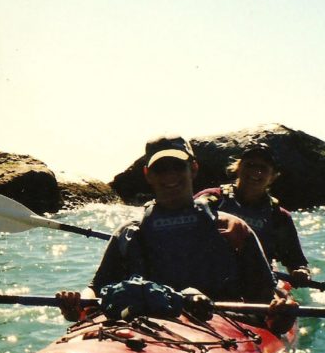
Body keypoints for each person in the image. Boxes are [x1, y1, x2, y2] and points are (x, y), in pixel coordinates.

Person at [58, 135, 297, 335]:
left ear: (193, 168)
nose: (169, 175)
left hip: (222, 324)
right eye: (160, 169)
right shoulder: (128, 233)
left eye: (177, 167)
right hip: (142, 323)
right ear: (148, 174)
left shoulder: (234, 229)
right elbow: (96, 289)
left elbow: (264, 301)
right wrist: (78, 304)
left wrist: (279, 314)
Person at [195, 141, 311, 287]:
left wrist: (301, 272)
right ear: (238, 167)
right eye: (249, 165)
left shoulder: (279, 217)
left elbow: (296, 262)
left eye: (263, 168)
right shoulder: (212, 199)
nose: (255, 172)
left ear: (273, 176)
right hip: (212, 279)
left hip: (258, 283)